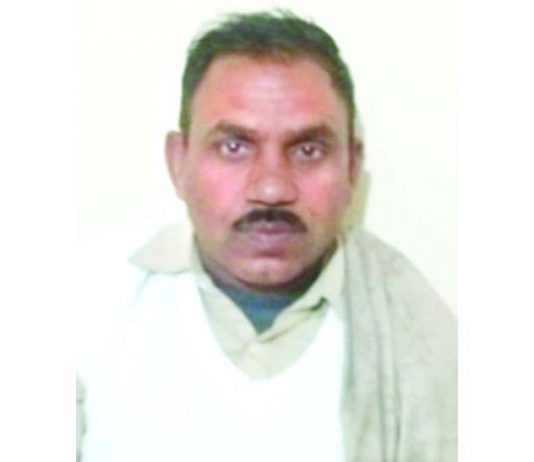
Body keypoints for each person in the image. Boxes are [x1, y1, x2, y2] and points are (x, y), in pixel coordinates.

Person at [76, 10, 457, 462]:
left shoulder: (422, 336)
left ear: (352, 167)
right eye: (234, 147)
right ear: (179, 163)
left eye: (308, 149)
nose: (272, 188)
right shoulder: (85, 302)